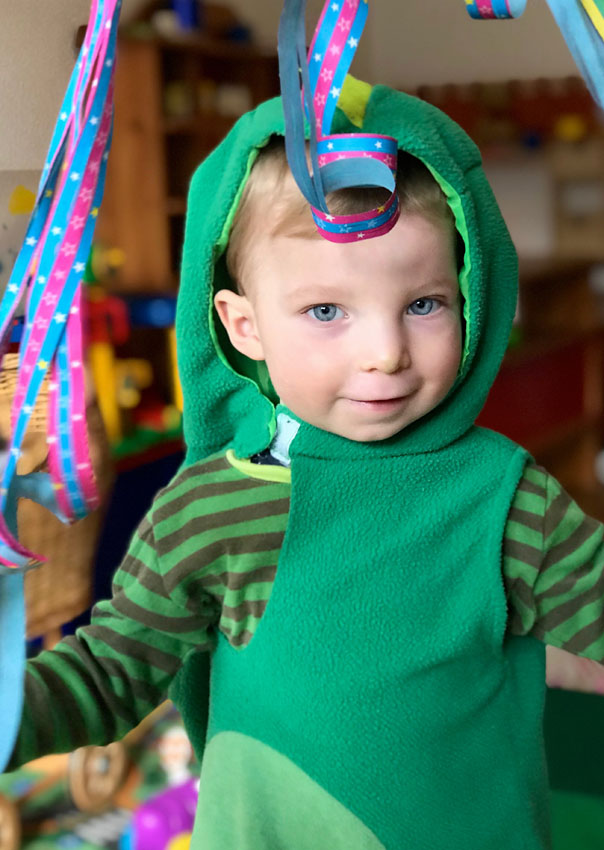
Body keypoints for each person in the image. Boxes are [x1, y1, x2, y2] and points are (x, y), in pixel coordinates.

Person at [5, 76, 604, 850]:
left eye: (423, 304)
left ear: (472, 295)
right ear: (245, 326)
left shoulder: (507, 500)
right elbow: (109, 672)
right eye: (327, 311)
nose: (385, 352)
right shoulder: (208, 509)